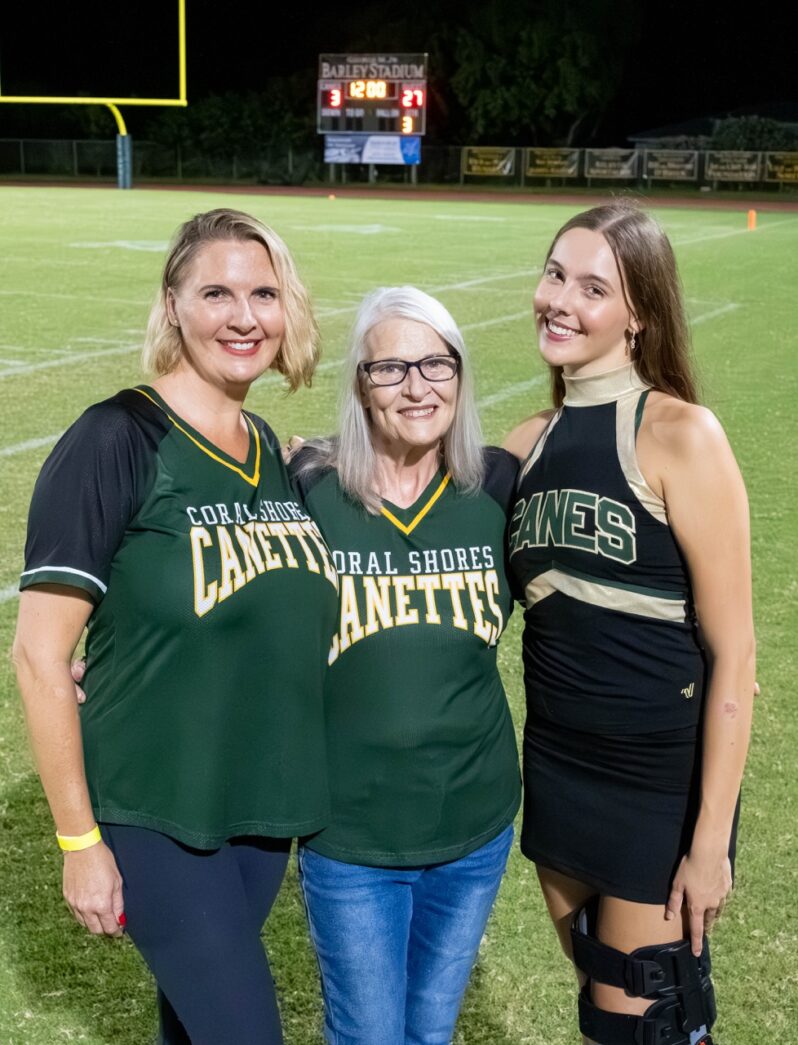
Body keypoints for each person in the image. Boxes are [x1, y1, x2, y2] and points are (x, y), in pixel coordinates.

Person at [12, 208, 339, 1044]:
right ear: (173, 304)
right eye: (217, 292)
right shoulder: (115, 437)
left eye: (264, 293)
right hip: (154, 808)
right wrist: (80, 839)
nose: (243, 316)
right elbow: (41, 655)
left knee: (195, 1029)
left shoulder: (269, 449)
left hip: (257, 811)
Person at [504, 202, 755, 1045]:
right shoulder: (523, 445)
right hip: (560, 769)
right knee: (598, 1005)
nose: (561, 300)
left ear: (638, 313)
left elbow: (734, 653)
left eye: (592, 287)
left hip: (656, 786)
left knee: (648, 1018)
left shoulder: (682, 435)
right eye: (554, 274)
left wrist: (710, 837)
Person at [291, 286, 522, 1045]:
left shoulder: (496, 489)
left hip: (473, 823)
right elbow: (209, 568)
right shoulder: (309, 494)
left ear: (460, 375)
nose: (418, 386)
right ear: (359, 382)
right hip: (352, 833)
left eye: (435, 364)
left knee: (428, 1033)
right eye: (391, 367)